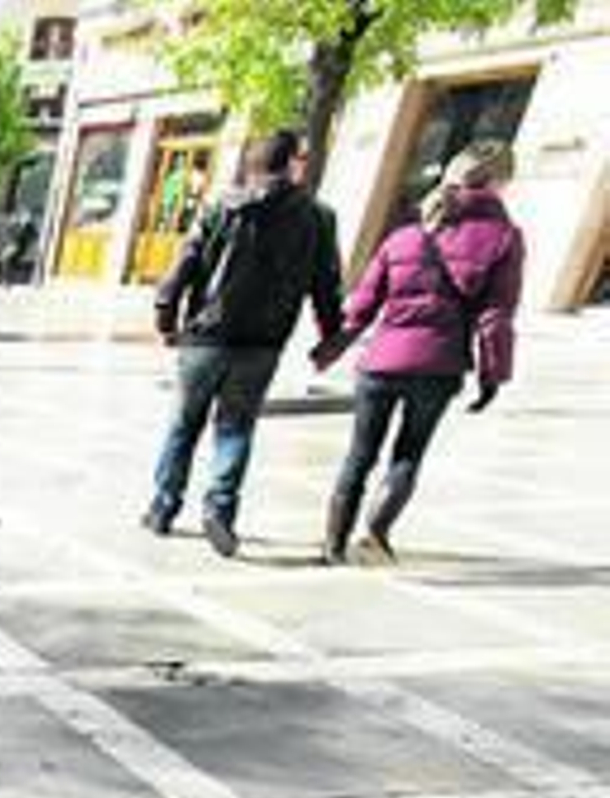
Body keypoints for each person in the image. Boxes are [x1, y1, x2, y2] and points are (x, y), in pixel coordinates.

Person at [312, 141, 525, 566]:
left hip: (381, 363)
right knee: (408, 454)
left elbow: (362, 306)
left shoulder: (404, 236)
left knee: (359, 454)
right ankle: (375, 532)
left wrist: (329, 348)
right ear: (500, 184)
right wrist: (492, 376)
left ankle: (333, 545)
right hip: (440, 366)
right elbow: (495, 316)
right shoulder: (505, 238)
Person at [144, 130, 343, 558]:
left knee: (184, 424)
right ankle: (220, 511)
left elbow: (187, 262)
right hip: (263, 343)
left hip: (206, 335)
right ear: (291, 163)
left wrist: (166, 314)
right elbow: (327, 285)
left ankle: (163, 507)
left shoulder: (221, 206)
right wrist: (330, 338)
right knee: (235, 428)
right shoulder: (319, 218)